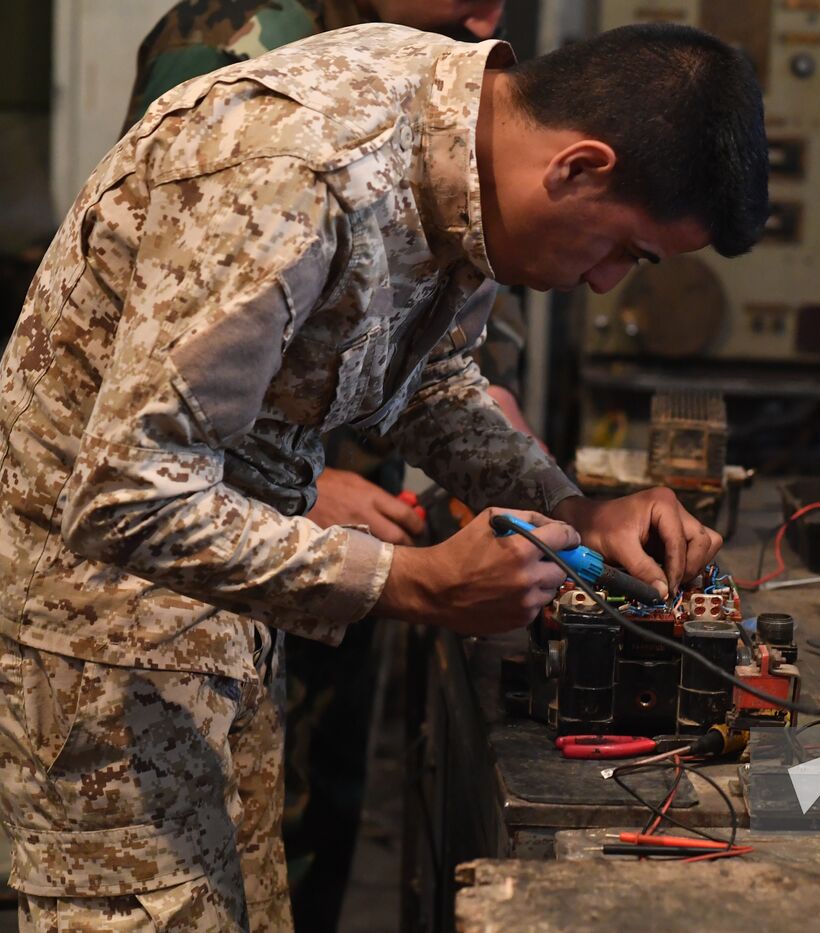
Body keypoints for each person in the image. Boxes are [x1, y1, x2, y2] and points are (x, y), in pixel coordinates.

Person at [0, 20, 765, 932]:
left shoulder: (468, 155)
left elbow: (427, 380)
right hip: (100, 646)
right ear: (578, 168)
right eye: (626, 253)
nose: (606, 286)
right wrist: (410, 582)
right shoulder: (294, 170)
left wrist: (569, 505)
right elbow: (130, 491)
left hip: (224, 623)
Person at [123, 4, 515, 927]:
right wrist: (306, 487)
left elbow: (405, 334)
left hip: (341, 517)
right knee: (215, 845)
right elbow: (167, 344)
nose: (483, 16)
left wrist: (514, 459)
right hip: (207, 547)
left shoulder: (435, 67)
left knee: (319, 798)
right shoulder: (234, 56)